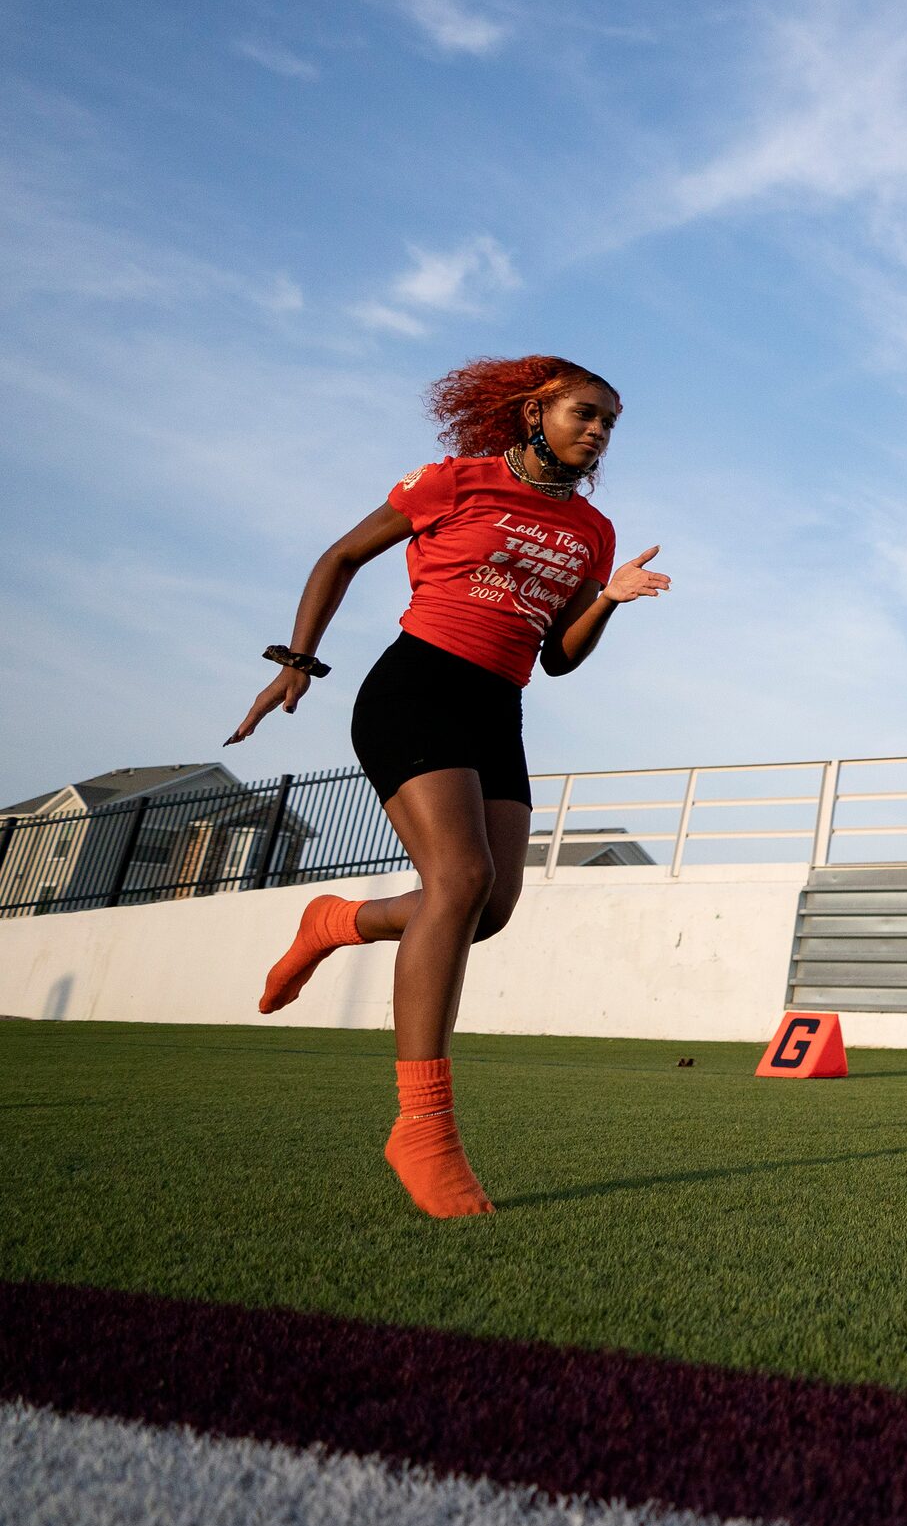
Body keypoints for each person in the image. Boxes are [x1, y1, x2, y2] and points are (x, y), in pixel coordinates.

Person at [229, 355, 670, 1218]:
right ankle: (422, 1127)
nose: (599, 432)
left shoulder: (594, 533)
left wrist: (607, 600)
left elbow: (558, 657)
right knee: (458, 883)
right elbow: (340, 556)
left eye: (610, 423)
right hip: (417, 687)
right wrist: (298, 660)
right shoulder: (453, 481)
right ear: (534, 410)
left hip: (496, 708)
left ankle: (336, 922)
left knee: (489, 907)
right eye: (586, 413)